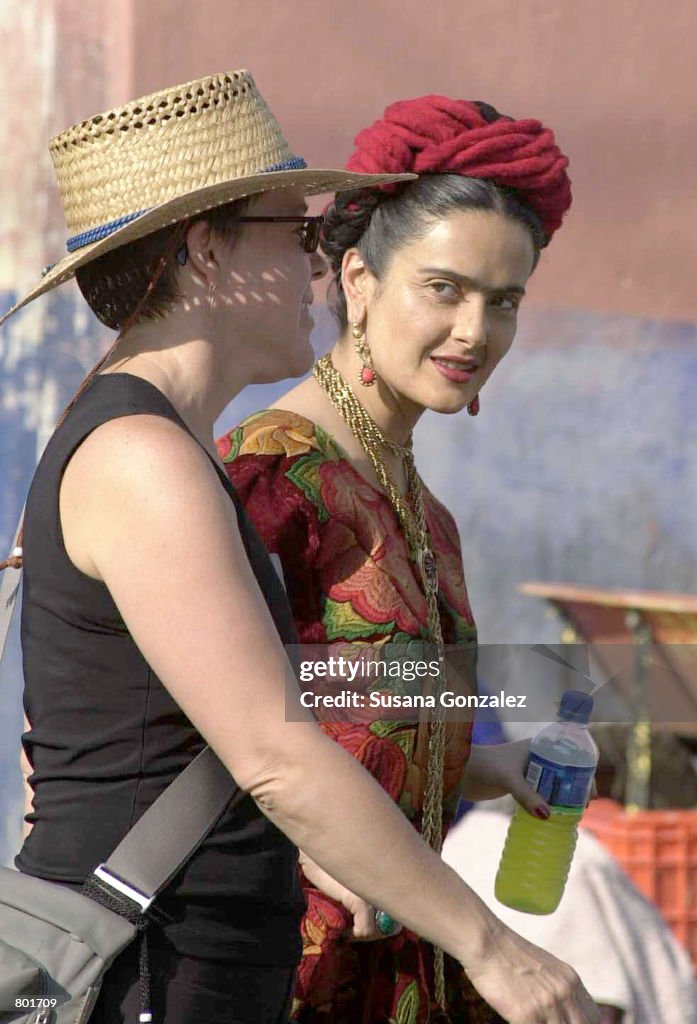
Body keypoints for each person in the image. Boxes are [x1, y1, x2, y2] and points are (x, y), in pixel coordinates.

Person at [0, 73, 600, 1024]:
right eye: (297, 231)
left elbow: (250, 717)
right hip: (160, 968)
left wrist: (473, 761)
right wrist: (493, 947)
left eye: (505, 300)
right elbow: (269, 756)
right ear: (208, 251)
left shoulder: (162, 446)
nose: (321, 262)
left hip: (213, 961)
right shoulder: (159, 459)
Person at [218, 94, 577, 1023]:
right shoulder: (268, 479)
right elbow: (162, 717)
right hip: (268, 975)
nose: (474, 332)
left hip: (402, 975)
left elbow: (344, 706)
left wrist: (473, 765)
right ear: (359, 280)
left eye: (503, 302)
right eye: (444, 288)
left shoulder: (428, 512)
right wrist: (304, 843)